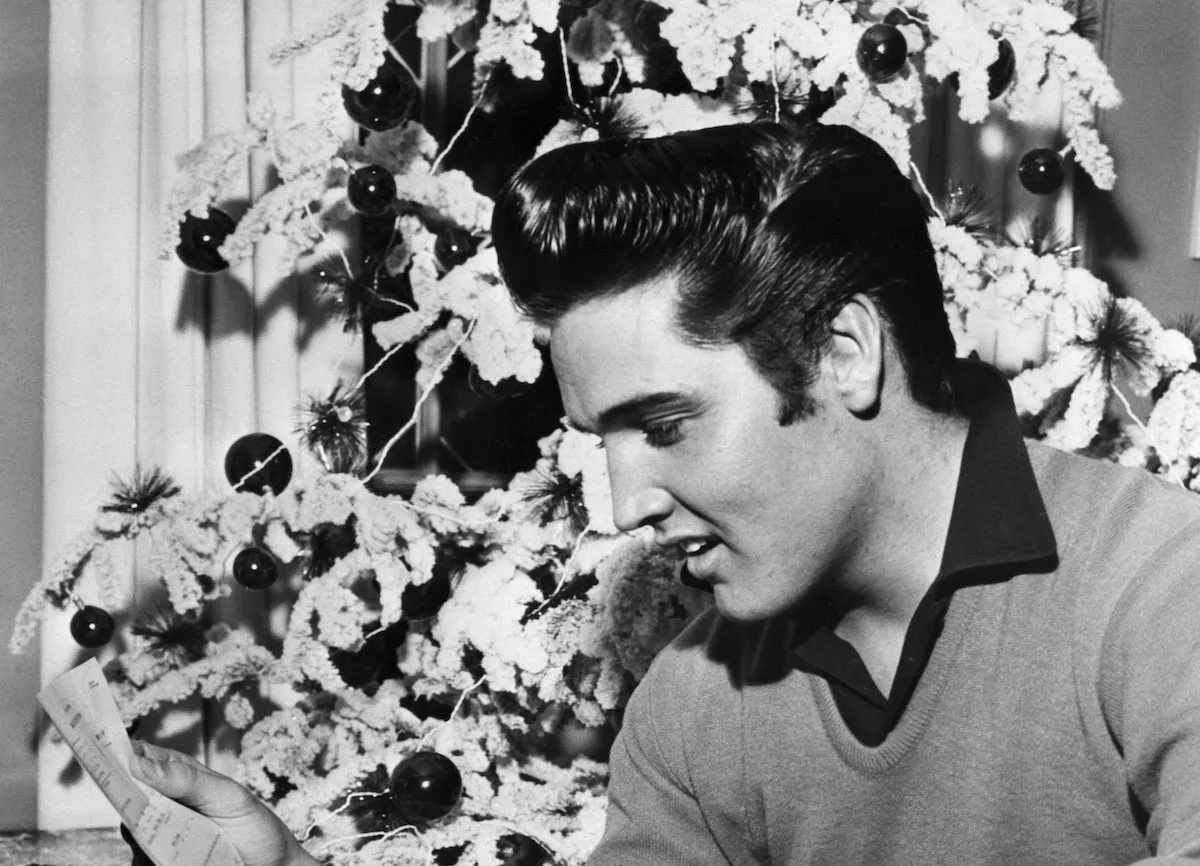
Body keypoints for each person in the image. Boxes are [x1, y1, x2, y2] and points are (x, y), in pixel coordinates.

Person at [132, 120, 1200, 864]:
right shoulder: (699, 696)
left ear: (843, 353)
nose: (626, 501)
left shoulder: (1159, 584)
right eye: (605, 439)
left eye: (665, 423)